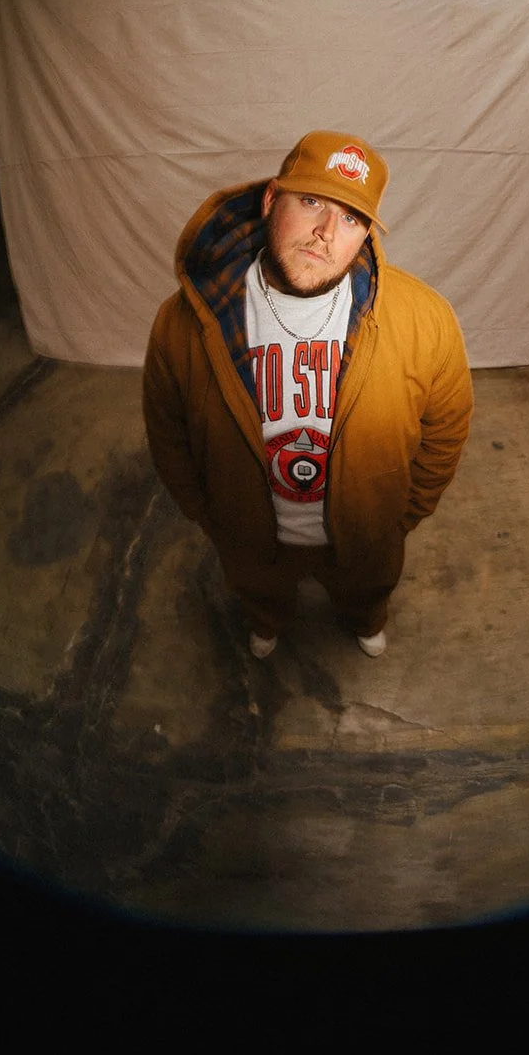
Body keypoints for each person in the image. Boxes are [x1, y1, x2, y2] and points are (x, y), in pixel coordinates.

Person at [142, 130, 473, 659]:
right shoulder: (187, 320)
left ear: (365, 234)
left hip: (364, 535)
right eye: (312, 201)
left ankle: (366, 619)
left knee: (367, 587)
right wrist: (212, 516)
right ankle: (266, 620)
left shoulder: (425, 319)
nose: (325, 233)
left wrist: (398, 518)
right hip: (251, 536)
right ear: (272, 199)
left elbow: (447, 428)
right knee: (259, 591)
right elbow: (167, 430)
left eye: (350, 217)